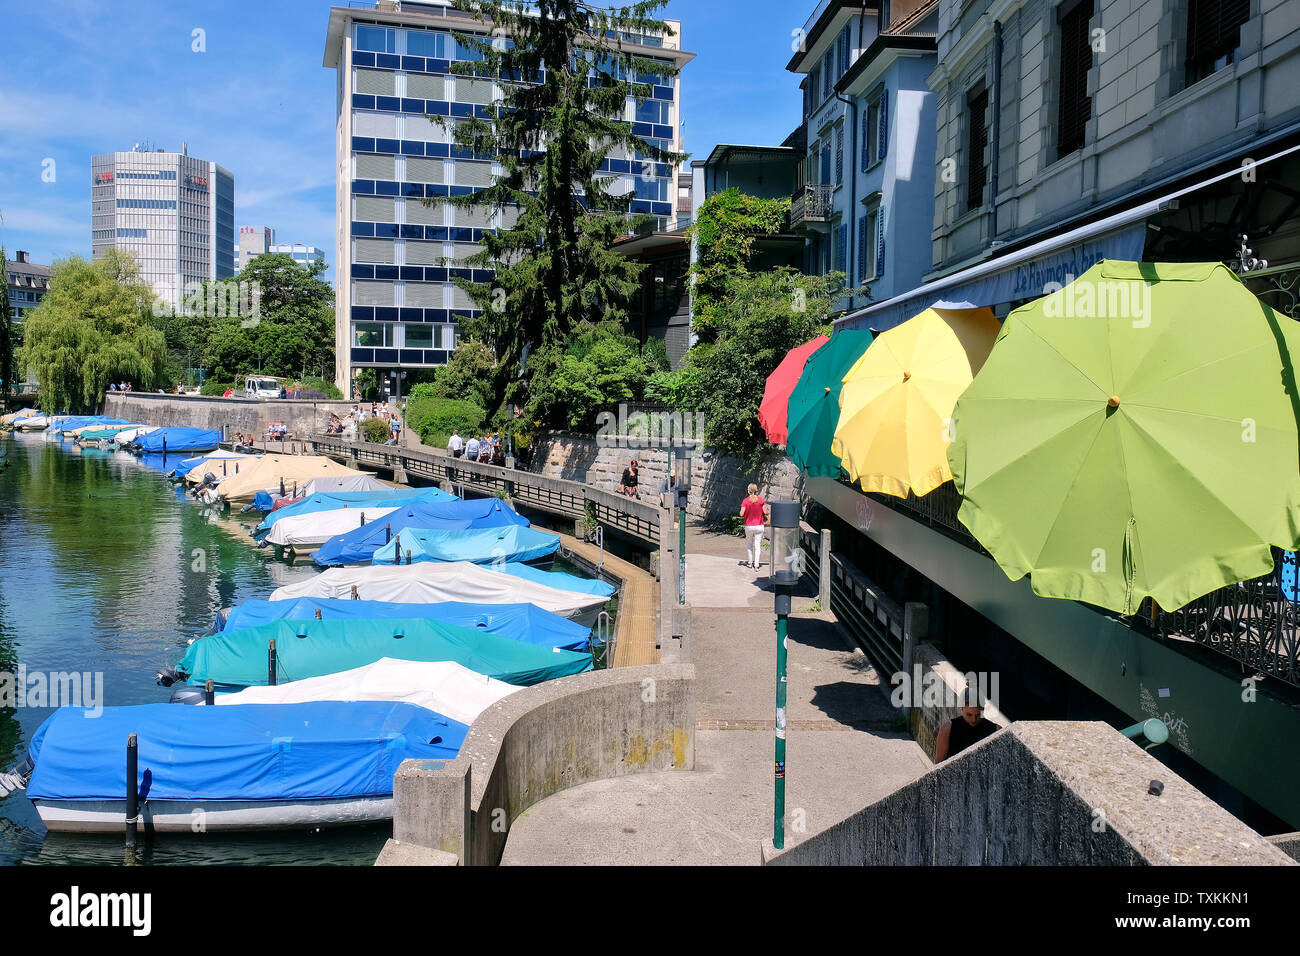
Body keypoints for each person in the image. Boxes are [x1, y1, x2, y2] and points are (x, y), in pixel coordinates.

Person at [934, 689, 1000, 763]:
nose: (974, 720)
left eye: (978, 715)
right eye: (969, 715)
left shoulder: (997, 730)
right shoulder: (947, 729)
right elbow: (938, 765)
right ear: (961, 708)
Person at [739, 484, 770, 571]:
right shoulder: (760, 500)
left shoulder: (745, 501)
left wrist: (746, 511)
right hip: (759, 526)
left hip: (749, 526)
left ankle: (749, 563)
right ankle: (756, 565)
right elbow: (765, 512)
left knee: (749, 544)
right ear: (756, 490)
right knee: (757, 546)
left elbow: (741, 514)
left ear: (748, 491)